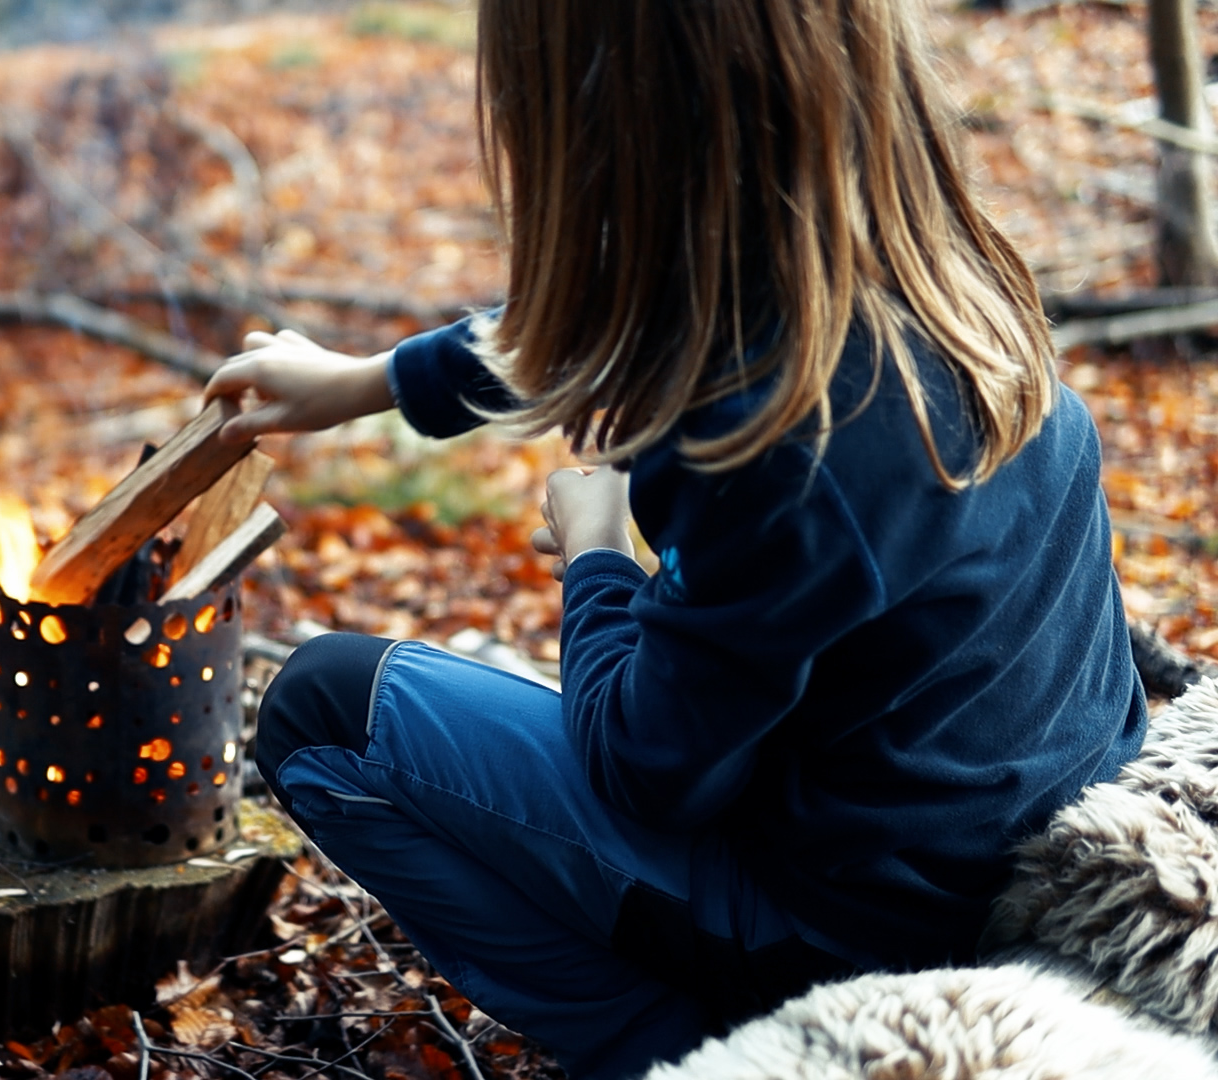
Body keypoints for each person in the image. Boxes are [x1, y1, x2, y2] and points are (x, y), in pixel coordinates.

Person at [200, 1, 1146, 1077]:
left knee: (321, 707)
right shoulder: (947, 278)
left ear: (613, 137)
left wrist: (599, 557)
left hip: (860, 936)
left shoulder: (774, 440)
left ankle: (683, 1050)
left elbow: (649, 774)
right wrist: (368, 383)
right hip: (993, 843)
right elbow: (624, 317)